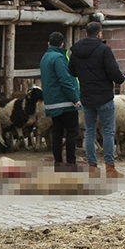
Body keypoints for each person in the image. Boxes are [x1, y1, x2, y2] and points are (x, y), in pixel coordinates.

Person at [68, 21, 125, 178]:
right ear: (99, 33)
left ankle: (92, 167)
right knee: (107, 131)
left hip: (86, 96)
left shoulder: (76, 51)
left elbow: (72, 72)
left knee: (89, 131)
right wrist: (121, 79)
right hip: (104, 96)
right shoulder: (104, 49)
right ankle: (110, 167)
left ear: (86, 33)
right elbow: (113, 71)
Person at [40, 32, 82, 171]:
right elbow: (65, 80)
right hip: (65, 102)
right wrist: (75, 98)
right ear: (62, 44)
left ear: (48, 43)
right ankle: (71, 163)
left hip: (52, 101)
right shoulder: (59, 58)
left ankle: (58, 162)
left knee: (57, 131)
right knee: (72, 131)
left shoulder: (45, 57)